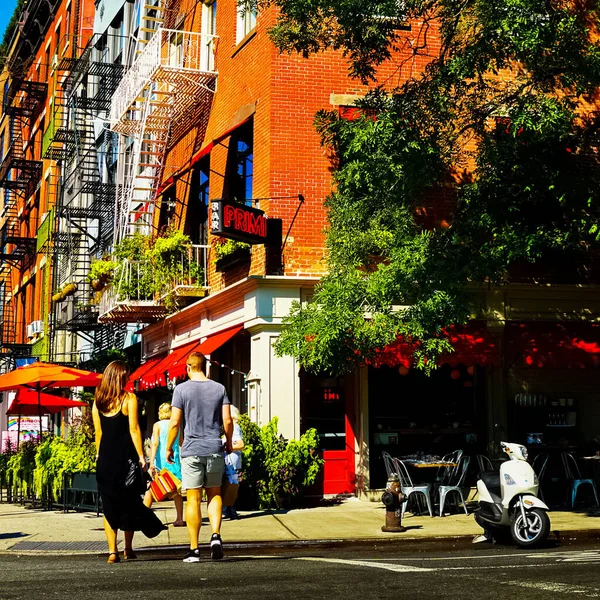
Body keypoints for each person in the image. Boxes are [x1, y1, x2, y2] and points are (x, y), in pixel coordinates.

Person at [92, 361, 165, 563]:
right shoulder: (129, 399)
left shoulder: (98, 400)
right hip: (126, 459)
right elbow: (134, 429)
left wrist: (99, 454)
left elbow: (98, 432)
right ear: (120, 377)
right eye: (126, 376)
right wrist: (142, 456)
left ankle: (112, 551)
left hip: (106, 458)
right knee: (129, 501)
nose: (128, 379)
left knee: (109, 504)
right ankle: (128, 548)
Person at [166, 351, 233, 563]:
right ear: (205, 367)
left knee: (193, 499)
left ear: (188, 367)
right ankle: (215, 535)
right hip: (214, 448)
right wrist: (228, 442)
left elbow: (175, 422)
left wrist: (169, 448)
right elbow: (228, 421)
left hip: (192, 451)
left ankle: (194, 549)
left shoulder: (181, 389)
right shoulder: (219, 388)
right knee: (214, 494)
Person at [143, 402, 186, 527]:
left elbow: (155, 443)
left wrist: (151, 461)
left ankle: (143, 517)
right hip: (174, 460)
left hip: (161, 461)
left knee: (152, 488)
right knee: (176, 491)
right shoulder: (176, 425)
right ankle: (179, 518)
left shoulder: (157, 425)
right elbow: (181, 443)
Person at [223, 405, 244, 520]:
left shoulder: (234, 427)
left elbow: (240, 444)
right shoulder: (233, 426)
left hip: (230, 461)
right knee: (230, 485)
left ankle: (230, 510)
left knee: (230, 485)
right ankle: (229, 509)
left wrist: (227, 447)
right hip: (230, 460)